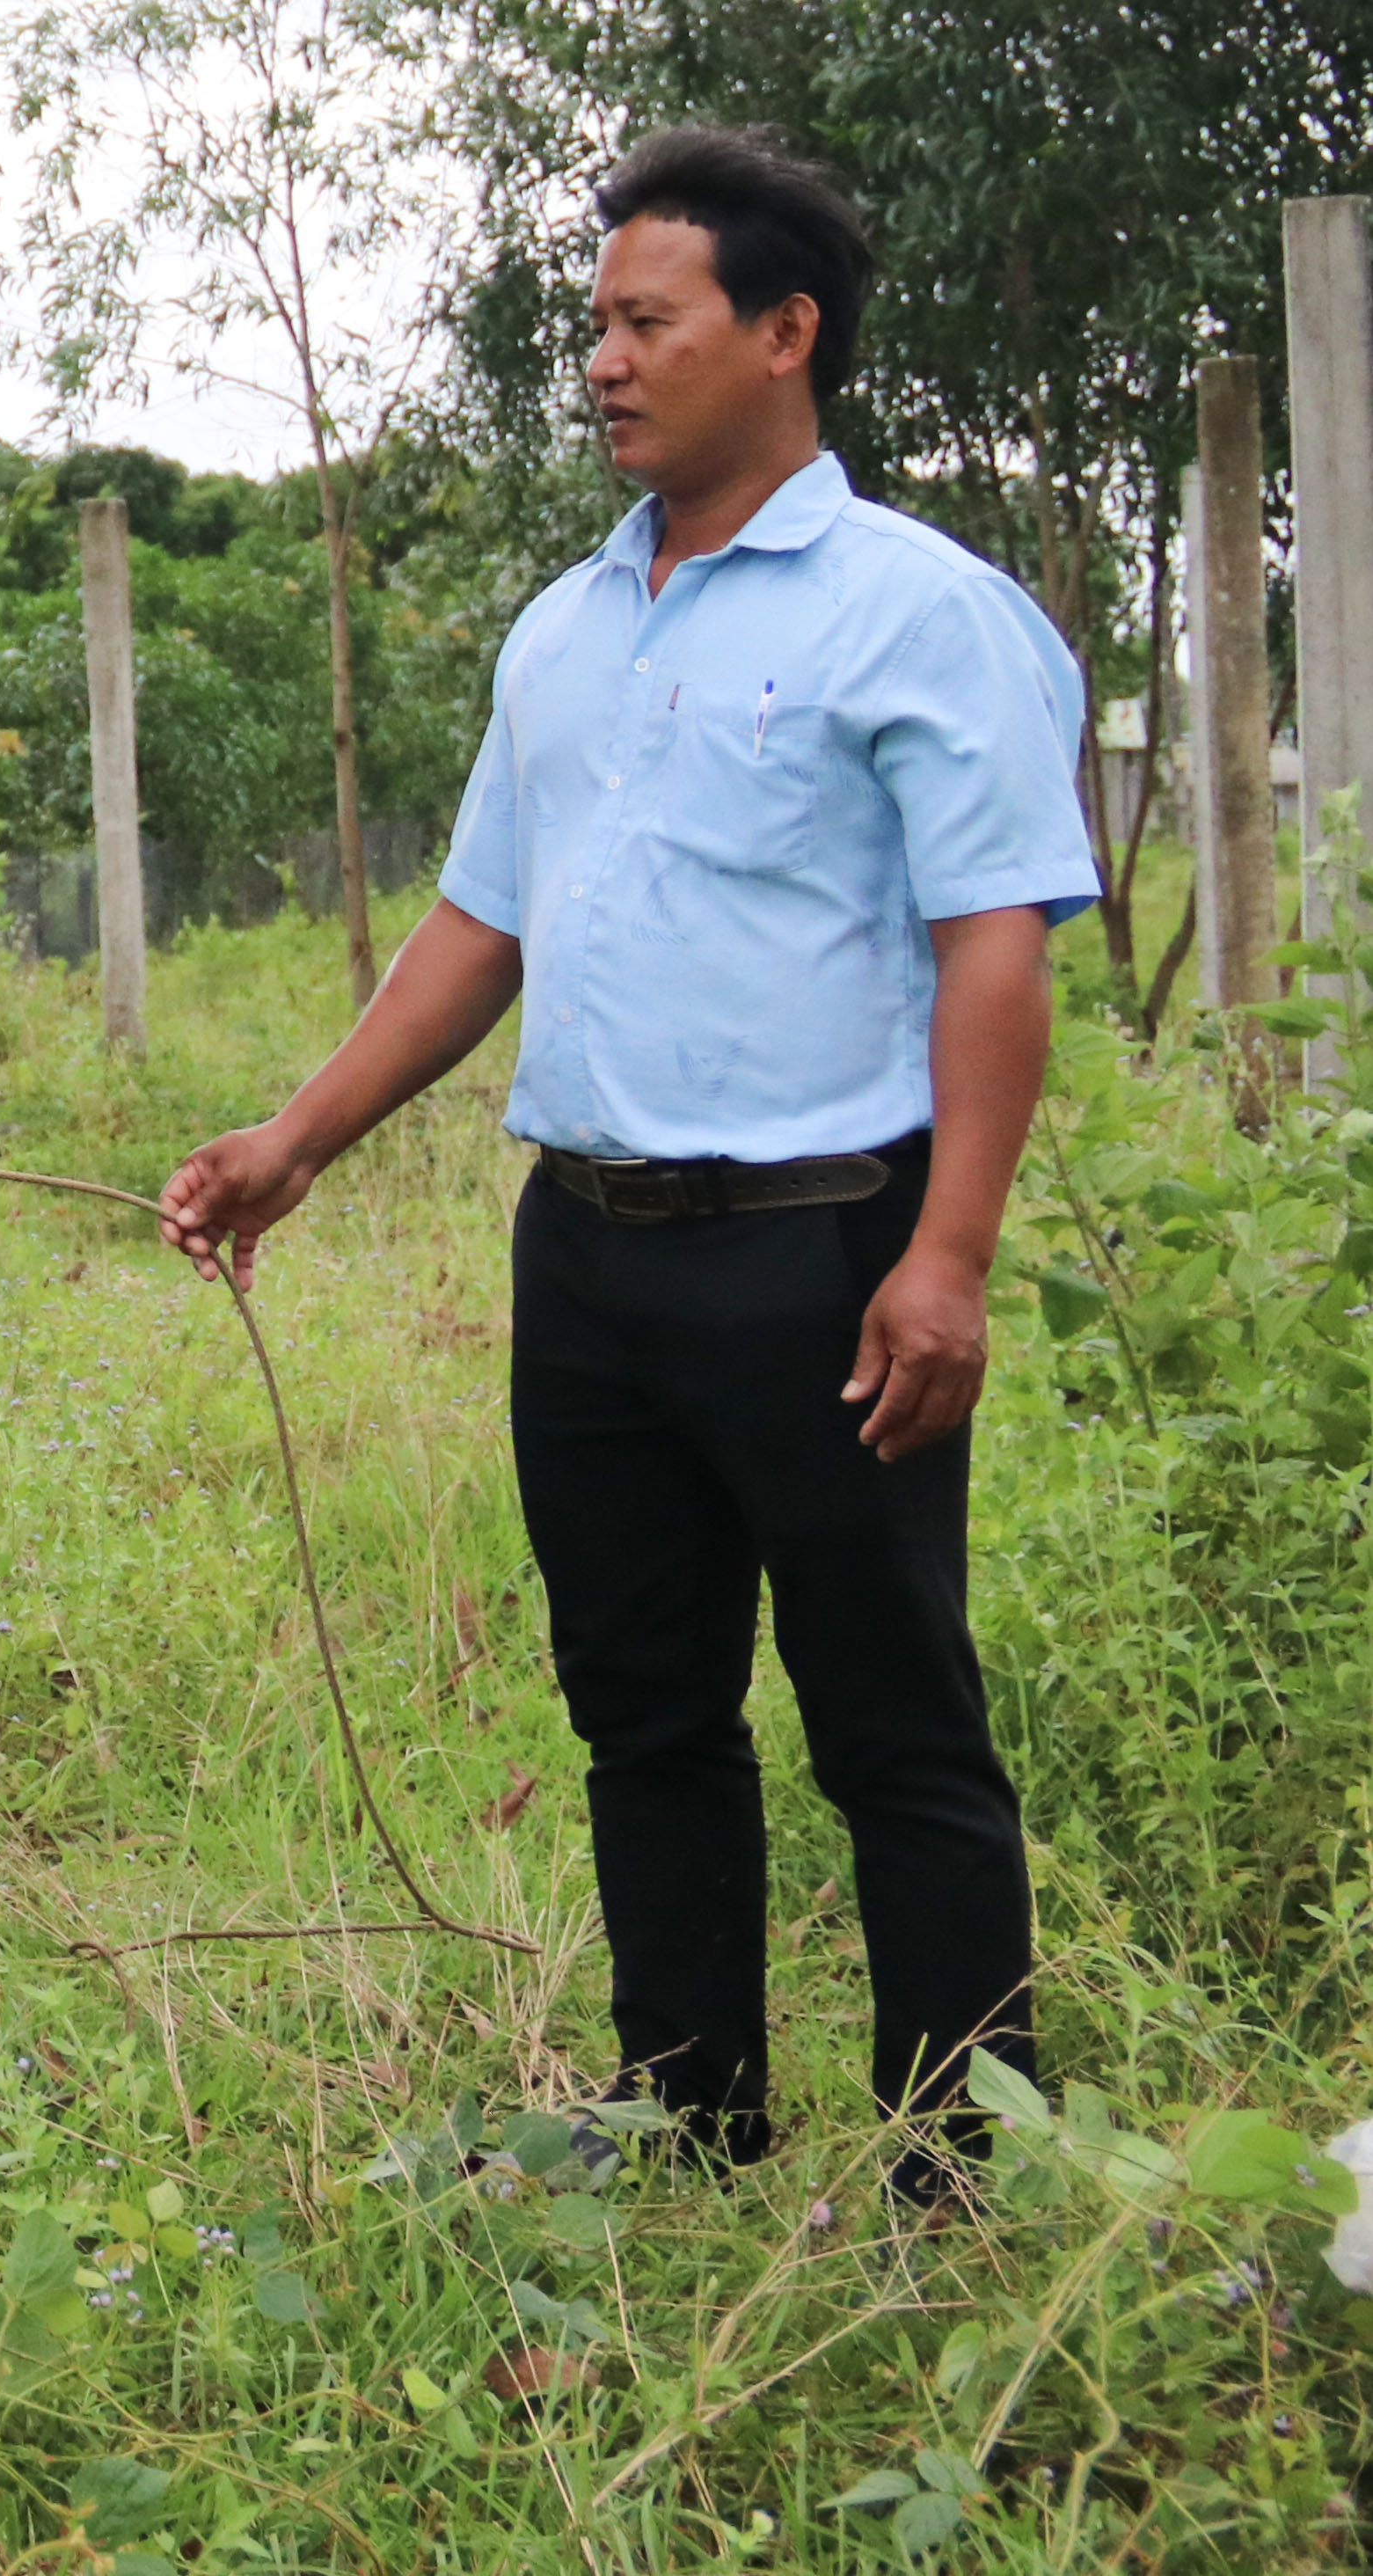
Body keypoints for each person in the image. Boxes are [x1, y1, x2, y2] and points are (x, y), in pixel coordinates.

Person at [160, 128, 1091, 2199]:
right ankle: (692, 2107)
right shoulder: (566, 628)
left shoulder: (920, 613)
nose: (601, 360)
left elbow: (993, 950)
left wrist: (947, 1255)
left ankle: (960, 2164)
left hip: (822, 1253)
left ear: (784, 334)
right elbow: (480, 923)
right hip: (584, 1253)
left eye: (642, 319)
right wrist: (296, 1138)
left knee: (893, 1728)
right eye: (593, 323)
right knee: (643, 1711)